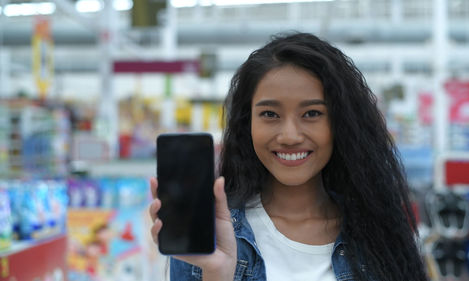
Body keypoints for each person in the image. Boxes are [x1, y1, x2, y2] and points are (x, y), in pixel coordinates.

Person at [149, 32, 429, 281]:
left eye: (312, 114)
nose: (290, 135)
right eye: (270, 114)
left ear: (340, 123)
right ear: (248, 124)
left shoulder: (380, 232)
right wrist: (217, 276)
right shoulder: (211, 238)